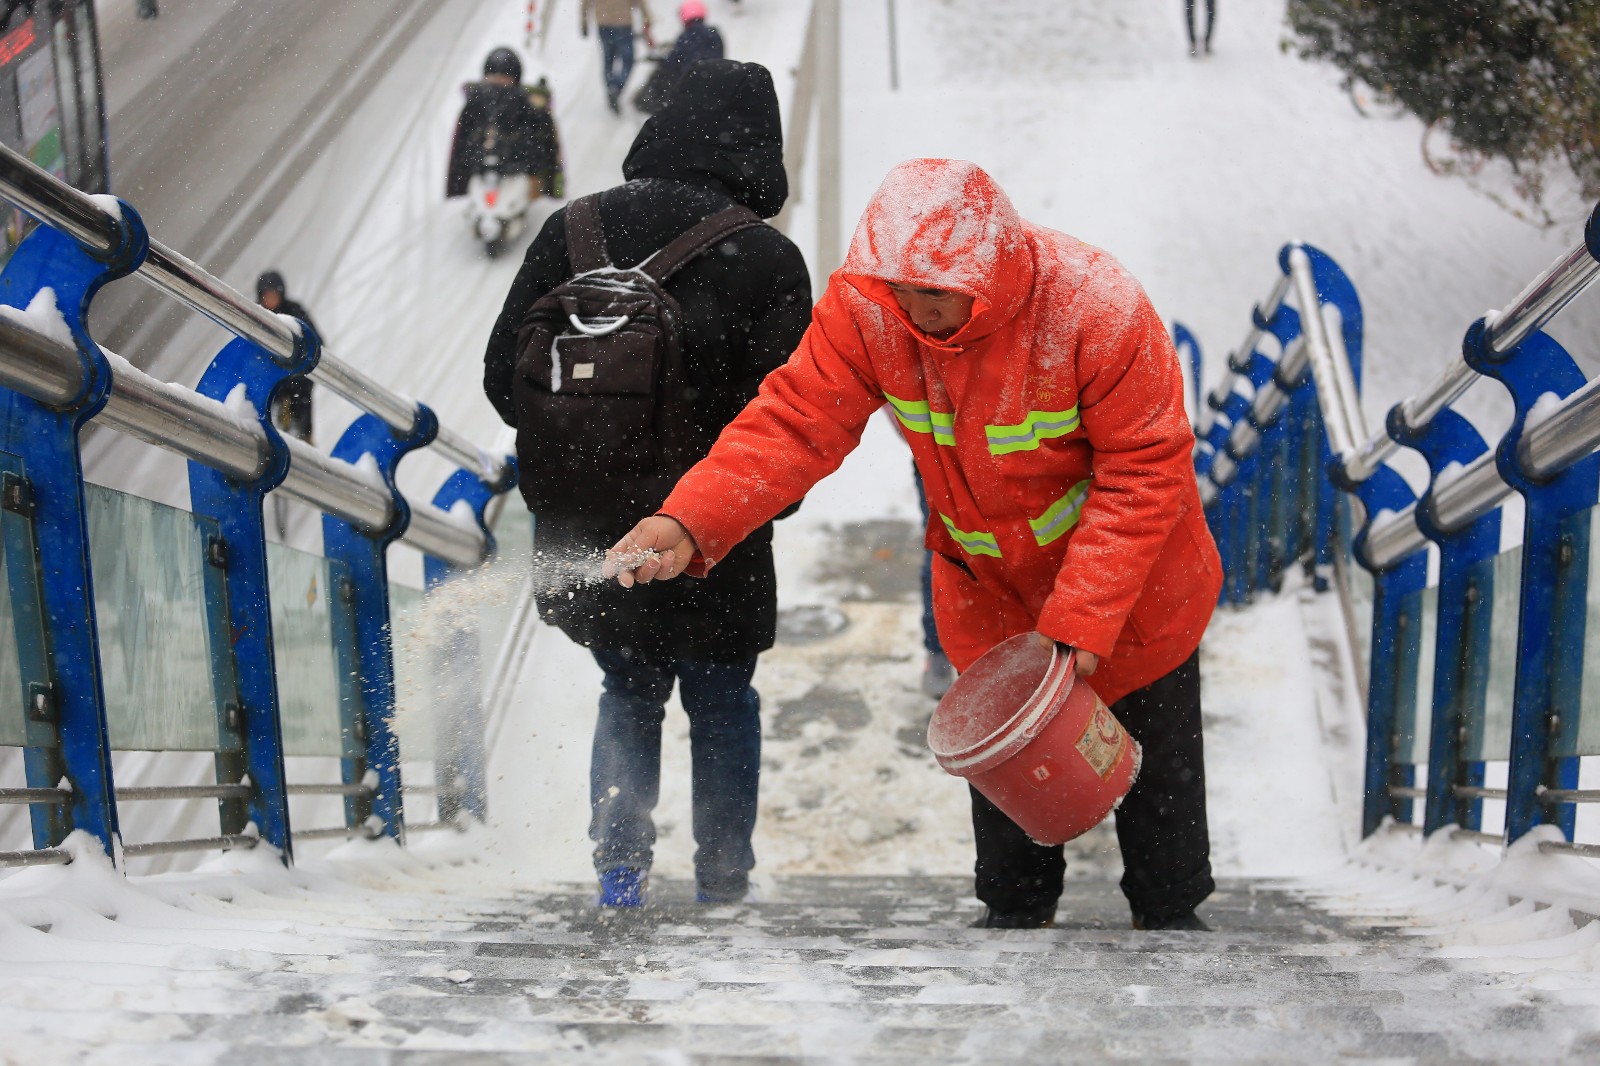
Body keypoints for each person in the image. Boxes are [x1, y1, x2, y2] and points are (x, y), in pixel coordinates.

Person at [605, 158, 1223, 933]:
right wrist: (690, 519)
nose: (916, 311)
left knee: (1155, 793)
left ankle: (1171, 922)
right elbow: (795, 423)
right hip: (991, 591)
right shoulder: (871, 312)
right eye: (902, 290)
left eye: (937, 294)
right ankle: (1015, 923)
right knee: (1012, 817)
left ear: (993, 273)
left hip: (1131, 590)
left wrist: (1080, 626)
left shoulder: (1095, 308)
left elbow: (1145, 470)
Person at [483, 60, 811, 909]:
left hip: (591, 531)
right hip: (713, 532)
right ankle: (722, 880)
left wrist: (593, 447)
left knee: (627, 689)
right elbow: (787, 418)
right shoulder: (768, 257)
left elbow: (499, 376)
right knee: (722, 696)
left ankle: (620, 874)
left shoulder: (573, 229)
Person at [446, 49, 561, 201]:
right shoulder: (480, 102)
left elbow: (540, 145)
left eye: (504, 78)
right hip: (488, 172)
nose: (499, 84)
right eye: (494, 77)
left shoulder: (523, 104)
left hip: (513, 174)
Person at [255, 271, 316, 445]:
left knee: (302, 415)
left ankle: (306, 442)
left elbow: (316, 342)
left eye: (273, 294)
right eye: (266, 295)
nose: (270, 299)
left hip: (298, 380)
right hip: (271, 382)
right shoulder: (256, 316)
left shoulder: (294, 311)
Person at [633, 1, 724, 115]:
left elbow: (673, 61)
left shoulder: (685, 36)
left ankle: (649, 105)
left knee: (660, 76)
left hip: (689, 82)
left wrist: (661, 61)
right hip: (713, 80)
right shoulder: (714, 33)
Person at [580, 0, 654, 114]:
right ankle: (617, 87)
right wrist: (647, 17)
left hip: (603, 23)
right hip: (623, 24)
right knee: (628, 60)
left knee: (608, 59)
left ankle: (611, 87)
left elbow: (585, 3)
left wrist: (584, 22)